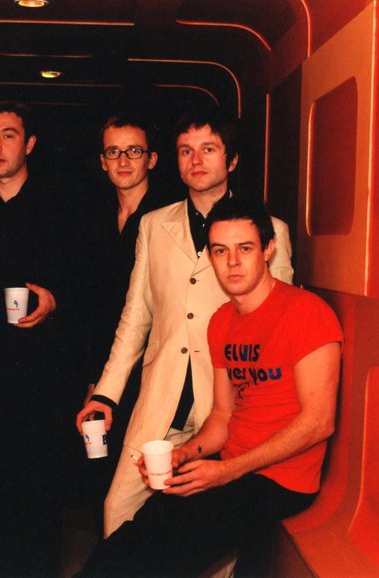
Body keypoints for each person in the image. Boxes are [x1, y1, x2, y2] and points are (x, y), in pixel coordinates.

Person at [77, 197, 343, 577]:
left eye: (244, 248)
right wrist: (184, 454)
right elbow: (221, 416)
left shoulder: (306, 311)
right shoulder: (222, 321)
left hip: (281, 480)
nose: (232, 262)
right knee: (131, 536)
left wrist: (228, 471)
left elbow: (319, 422)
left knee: (159, 554)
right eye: (220, 250)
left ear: (268, 249)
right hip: (233, 466)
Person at [76, 108, 295, 538]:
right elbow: (135, 318)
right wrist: (105, 394)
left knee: (210, 536)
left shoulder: (272, 232)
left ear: (232, 160)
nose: (195, 160)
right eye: (185, 150)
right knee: (118, 508)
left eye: (208, 149)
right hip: (162, 401)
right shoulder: (154, 226)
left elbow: (275, 332)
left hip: (229, 411)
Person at [0, 100, 77, 577]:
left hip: (46, 375)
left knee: (43, 492)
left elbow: (91, 283)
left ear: (29, 144)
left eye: (8, 135)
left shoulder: (62, 206)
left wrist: (55, 300)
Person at [82, 113, 170, 511]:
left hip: (154, 368)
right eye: (113, 152)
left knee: (146, 480)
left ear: (152, 159)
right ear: (102, 161)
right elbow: (92, 307)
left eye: (133, 151)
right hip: (104, 368)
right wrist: (94, 379)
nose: (123, 161)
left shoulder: (169, 219)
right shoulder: (93, 218)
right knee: (101, 472)